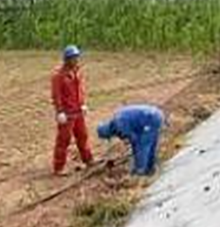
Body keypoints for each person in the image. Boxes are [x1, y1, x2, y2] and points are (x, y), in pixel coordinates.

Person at [51, 44, 94, 175]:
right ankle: (59, 167)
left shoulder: (77, 72)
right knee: (64, 140)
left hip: (78, 111)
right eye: (72, 58)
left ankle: (88, 159)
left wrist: (83, 104)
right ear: (66, 59)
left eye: (76, 57)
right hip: (67, 113)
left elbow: (80, 91)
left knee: (83, 136)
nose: (75, 60)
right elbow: (56, 95)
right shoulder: (58, 76)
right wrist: (59, 111)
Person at [97, 104, 166, 175]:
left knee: (143, 146)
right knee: (150, 145)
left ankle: (140, 172)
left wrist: (136, 162)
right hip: (155, 115)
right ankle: (150, 169)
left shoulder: (120, 124)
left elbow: (135, 141)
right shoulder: (117, 119)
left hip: (150, 119)